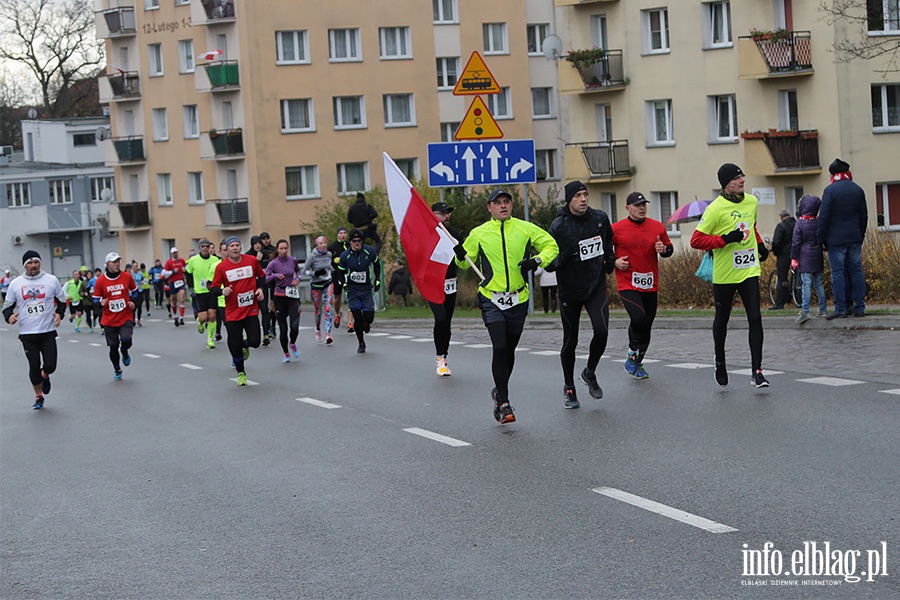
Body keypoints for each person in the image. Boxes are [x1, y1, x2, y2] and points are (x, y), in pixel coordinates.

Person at [456, 188, 559, 423]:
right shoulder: (479, 233)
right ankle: (504, 402)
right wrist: (460, 255)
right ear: (489, 208)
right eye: (497, 203)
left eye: (506, 202)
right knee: (500, 347)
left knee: (509, 350)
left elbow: (552, 246)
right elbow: (464, 263)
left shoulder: (525, 228)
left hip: (518, 298)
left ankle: (499, 391)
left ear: (512, 206)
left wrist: (536, 261)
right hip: (491, 297)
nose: (503, 206)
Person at [690, 163, 770, 388]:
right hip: (725, 273)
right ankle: (720, 362)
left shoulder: (751, 201)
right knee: (722, 319)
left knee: (755, 317)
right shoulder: (715, 209)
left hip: (749, 270)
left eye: (742, 176)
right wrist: (724, 239)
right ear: (726, 185)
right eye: (736, 178)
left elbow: (751, 226)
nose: (742, 180)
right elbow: (696, 240)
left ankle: (757, 371)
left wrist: (760, 244)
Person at [547, 181, 615, 409]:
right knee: (571, 340)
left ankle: (590, 371)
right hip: (570, 290)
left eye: (585, 194)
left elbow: (608, 241)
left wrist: (609, 260)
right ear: (569, 200)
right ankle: (568, 386)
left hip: (595, 286)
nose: (583, 199)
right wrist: (565, 257)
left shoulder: (600, 218)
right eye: (578, 196)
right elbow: (549, 263)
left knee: (602, 330)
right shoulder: (559, 226)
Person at [612, 192, 674, 380]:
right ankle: (632, 353)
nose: (641, 208)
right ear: (627, 208)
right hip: (627, 282)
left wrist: (664, 250)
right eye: (637, 205)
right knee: (638, 318)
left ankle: (638, 361)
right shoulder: (616, 229)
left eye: (643, 205)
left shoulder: (657, 226)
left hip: (650, 283)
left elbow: (669, 248)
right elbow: (604, 251)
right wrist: (615, 262)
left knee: (647, 323)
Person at [2, 250, 67, 409]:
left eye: (36, 262)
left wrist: (59, 314)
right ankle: (39, 397)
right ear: (25, 265)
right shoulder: (16, 284)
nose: (33, 266)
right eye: (29, 263)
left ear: (40, 263)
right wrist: (9, 317)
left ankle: (45, 375)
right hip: (27, 334)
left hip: (47, 331)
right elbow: (7, 307)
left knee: (50, 365)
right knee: (33, 365)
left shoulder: (51, 280)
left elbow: (62, 301)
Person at [210, 236, 266, 386]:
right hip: (233, 311)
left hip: (250, 309)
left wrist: (260, 288)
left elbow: (262, 276)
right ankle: (241, 372)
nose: (234, 248)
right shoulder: (221, 267)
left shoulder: (251, 261)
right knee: (234, 343)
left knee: (255, 342)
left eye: (237, 245)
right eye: (232, 246)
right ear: (227, 250)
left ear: (241, 247)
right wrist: (223, 291)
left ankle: (245, 345)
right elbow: (214, 288)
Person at [818, 158, 868, 319]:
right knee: (856, 272)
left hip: (835, 240)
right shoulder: (857, 190)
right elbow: (863, 216)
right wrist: (860, 235)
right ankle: (859, 307)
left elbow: (824, 217)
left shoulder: (830, 191)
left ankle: (841, 308)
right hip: (854, 237)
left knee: (838, 273)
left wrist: (821, 239)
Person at [93, 252, 138, 381]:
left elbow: (135, 292)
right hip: (109, 320)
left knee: (126, 340)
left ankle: (124, 350)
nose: (117, 264)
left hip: (125, 316)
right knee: (113, 347)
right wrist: (100, 303)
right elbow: (95, 299)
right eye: (114, 261)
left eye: (118, 261)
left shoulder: (127, 277)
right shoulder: (101, 281)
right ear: (107, 264)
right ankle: (117, 368)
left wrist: (133, 302)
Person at [429, 201, 461, 377]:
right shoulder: (426, 234)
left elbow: (464, 260)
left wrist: (463, 253)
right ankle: (439, 358)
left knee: (446, 320)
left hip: (450, 283)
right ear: (432, 214)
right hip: (433, 283)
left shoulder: (454, 235)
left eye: (448, 213)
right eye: (443, 213)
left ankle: (444, 356)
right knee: (440, 317)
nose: (447, 216)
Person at [338, 228, 382, 353]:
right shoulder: (345, 256)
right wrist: (344, 284)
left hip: (366, 288)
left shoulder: (370, 251)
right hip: (352, 289)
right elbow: (340, 273)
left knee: (369, 316)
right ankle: (361, 343)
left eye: (359, 241)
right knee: (357, 316)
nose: (357, 243)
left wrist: (377, 279)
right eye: (354, 241)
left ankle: (366, 323)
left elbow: (376, 264)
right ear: (350, 242)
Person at [791, 195, 829, 323]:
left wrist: (794, 258)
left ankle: (805, 310)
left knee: (806, 284)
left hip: (804, 256)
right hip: (817, 255)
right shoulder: (818, 222)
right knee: (818, 283)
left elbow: (796, 242)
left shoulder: (800, 223)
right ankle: (823, 309)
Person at [265, 239, 303, 361]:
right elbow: (265, 278)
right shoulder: (273, 263)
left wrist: (297, 279)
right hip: (279, 296)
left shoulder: (293, 260)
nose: (283, 251)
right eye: (281, 248)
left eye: (285, 248)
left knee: (295, 325)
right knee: (283, 328)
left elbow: (298, 271)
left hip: (292, 296)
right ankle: (286, 353)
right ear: (277, 249)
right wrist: (275, 275)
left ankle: (292, 343)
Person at [186, 239, 222, 349]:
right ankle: (200, 322)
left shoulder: (215, 260)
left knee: (212, 315)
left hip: (212, 291)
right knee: (203, 317)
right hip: (200, 292)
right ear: (200, 248)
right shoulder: (193, 260)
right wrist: (191, 288)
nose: (205, 248)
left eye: (207, 246)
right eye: (203, 246)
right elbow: (188, 274)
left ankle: (210, 339)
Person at [303, 235, 335, 344]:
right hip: (316, 285)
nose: (323, 246)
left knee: (328, 308)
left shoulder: (329, 255)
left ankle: (328, 334)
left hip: (328, 283)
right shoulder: (312, 256)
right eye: (321, 244)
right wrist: (315, 273)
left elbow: (329, 267)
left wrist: (336, 271)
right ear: (317, 245)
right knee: (318, 310)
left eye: (325, 243)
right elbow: (304, 271)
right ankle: (317, 328)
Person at [246, 235, 273, 345]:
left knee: (264, 309)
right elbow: (248, 271)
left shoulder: (265, 254)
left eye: (259, 243)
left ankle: (266, 334)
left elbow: (267, 270)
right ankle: (252, 333)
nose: (258, 245)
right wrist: (256, 261)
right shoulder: (248, 255)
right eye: (255, 243)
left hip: (263, 285)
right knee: (252, 311)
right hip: (251, 286)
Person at [769, 208, 797, 309]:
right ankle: (797, 297)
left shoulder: (781, 226)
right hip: (797, 253)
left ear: (781, 217)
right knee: (799, 275)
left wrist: (776, 252)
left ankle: (780, 303)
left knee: (782, 278)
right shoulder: (797, 224)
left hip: (784, 255)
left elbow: (776, 242)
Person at [327, 227, 350, 331]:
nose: (343, 235)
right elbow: (328, 261)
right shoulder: (332, 247)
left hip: (349, 274)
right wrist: (335, 260)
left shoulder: (350, 245)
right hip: (337, 274)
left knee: (351, 296)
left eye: (345, 233)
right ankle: (337, 313)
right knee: (337, 298)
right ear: (337, 235)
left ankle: (350, 322)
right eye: (341, 233)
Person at [259, 232, 278, 339]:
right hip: (263, 283)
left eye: (267, 238)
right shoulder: (259, 252)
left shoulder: (274, 250)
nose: (265, 240)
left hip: (273, 282)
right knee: (265, 307)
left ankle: (273, 326)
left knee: (273, 306)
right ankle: (268, 326)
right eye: (263, 239)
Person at [163, 247, 187, 326]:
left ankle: (182, 318)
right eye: (174, 253)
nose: (175, 254)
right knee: (174, 300)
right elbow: (163, 273)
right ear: (171, 254)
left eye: (176, 252)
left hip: (181, 282)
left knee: (182, 298)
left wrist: (185, 270)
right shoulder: (169, 262)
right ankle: (175, 315)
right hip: (173, 282)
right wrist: (172, 272)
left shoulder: (182, 260)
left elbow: (186, 267)